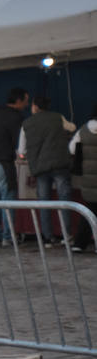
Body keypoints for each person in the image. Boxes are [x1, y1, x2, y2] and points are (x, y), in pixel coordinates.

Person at [19, 94, 75, 248]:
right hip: (59, 164)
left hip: (40, 168)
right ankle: (66, 236)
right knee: (64, 201)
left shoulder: (26, 124)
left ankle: (48, 238)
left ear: (35, 106)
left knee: (44, 202)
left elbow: (22, 150)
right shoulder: (58, 117)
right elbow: (72, 127)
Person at [0, 87, 28, 244]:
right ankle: (8, 237)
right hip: (3, 161)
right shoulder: (16, 117)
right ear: (18, 100)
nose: (27, 104)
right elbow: (20, 143)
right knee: (8, 200)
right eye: (26, 101)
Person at [70, 103, 97, 253]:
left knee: (89, 212)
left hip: (88, 178)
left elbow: (72, 149)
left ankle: (79, 244)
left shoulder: (83, 129)